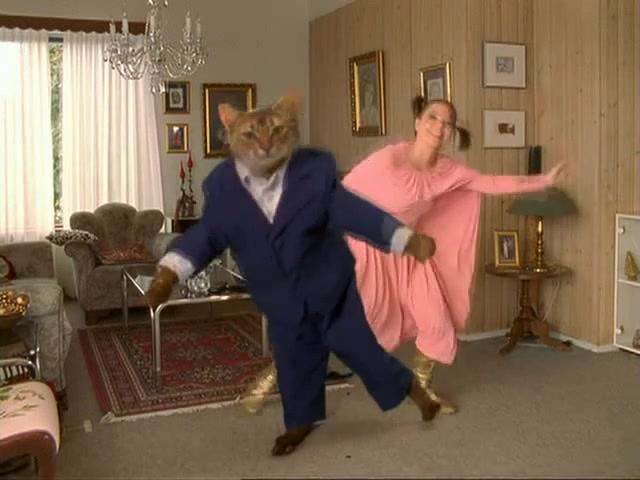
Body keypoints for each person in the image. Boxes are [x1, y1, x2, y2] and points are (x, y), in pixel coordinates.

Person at [142, 93, 443, 457]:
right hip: (279, 295)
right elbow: (207, 235)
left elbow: (355, 213)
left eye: (276, 132)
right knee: (293, 359)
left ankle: (414, 392)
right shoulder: (222, 188)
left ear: (291, 132)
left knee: (359, 349)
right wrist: (168, 275)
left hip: (329, 285)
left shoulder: (313, 173)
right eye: (251, 135)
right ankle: (300, 421)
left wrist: (406, 240)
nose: (265, 143)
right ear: (231, 136)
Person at [238, 95, 566, 415]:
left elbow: (490, 182)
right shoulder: (388, 160)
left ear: (451, 132)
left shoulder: (450, 171)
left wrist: (543, 180)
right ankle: (269, 379)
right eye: (433, 117)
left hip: (409, 254)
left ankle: (422, 388)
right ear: (418, 122)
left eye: (447, 122)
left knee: (436, 318)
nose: (439, 126)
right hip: (365, 254)